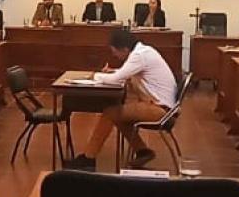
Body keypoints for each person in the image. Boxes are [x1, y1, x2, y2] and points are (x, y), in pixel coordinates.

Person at [65, 30, 177, 171]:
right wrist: (113, 72)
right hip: (163, 107)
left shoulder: (139, 56)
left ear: (124, 49)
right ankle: (142, 151)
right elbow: (125, 73)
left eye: (115, 52)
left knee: (110, 113)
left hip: (160, 110)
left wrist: (95, 76)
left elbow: (116, 79)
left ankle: (88, 158)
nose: (114, 56)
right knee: (118, 116)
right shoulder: (144, 51)